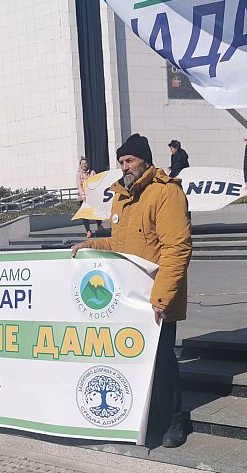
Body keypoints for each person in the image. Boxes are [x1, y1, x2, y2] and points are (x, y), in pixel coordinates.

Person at [71, 133, 192, 448]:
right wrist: (91, 244)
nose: (125, 167)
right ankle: (148, 417)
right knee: (139, 362)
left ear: (145, 161)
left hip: (155, 298)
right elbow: (120, 244)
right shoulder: (122, 197)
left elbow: (176, 248)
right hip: (128, 299)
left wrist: (162, 297)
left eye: (130, 161)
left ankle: (176, 419)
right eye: (121, 162)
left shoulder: (166, 194)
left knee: (163, 360)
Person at [76, 157, 102, 238]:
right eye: (82, 164)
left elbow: (97, 182)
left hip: (93, 195)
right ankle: (88, 230)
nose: (84, 165)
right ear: (80, 165)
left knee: (96, 211)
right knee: (85, 214)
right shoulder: (79, 174)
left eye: (85, 163)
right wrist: (83, 195)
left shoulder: (92, 172)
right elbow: (79, 185)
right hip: (83, 196)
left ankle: (100, 226)